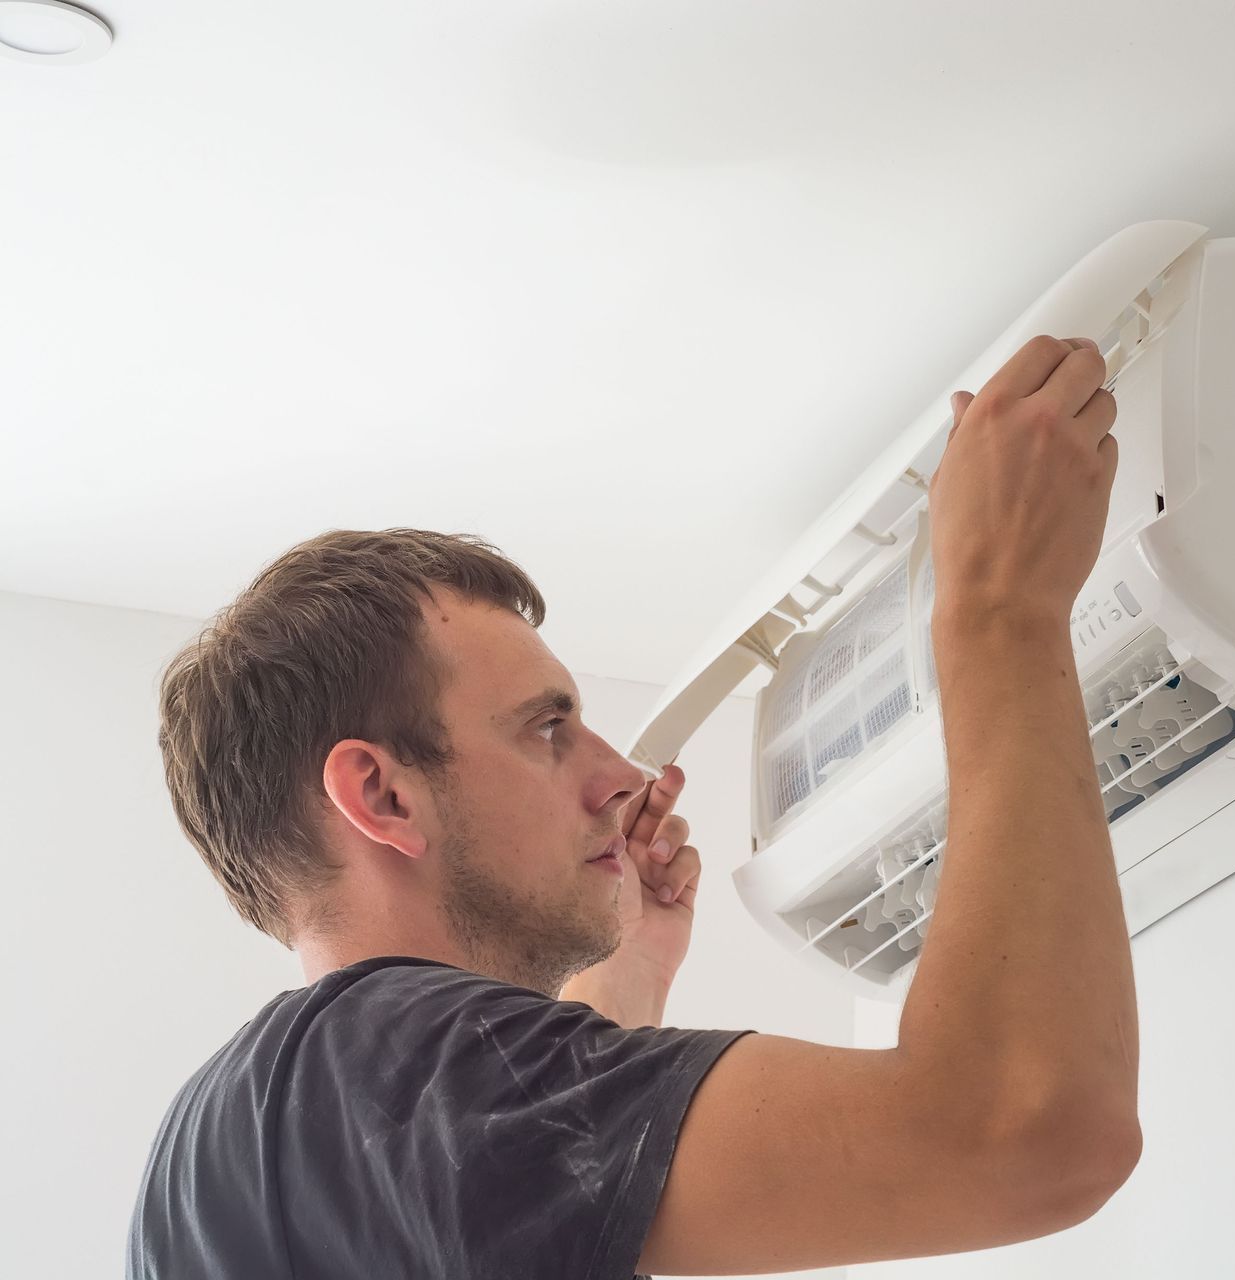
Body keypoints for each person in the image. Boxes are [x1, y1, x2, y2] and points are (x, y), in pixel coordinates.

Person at [127, 335, 1142, 1278]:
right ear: (384, 795)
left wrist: (628, 973)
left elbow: (508, 1186)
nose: (619, 774)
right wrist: (999, 604)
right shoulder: (394, 1059)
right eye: (546, 727)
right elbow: (1021, 1130)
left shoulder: (205, 1158)